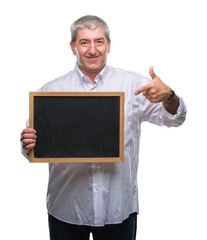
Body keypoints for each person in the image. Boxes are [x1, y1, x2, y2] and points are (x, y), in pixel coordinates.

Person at [20, 15, 187, 240]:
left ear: (109, 44)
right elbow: (32, 145)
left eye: (99, 41)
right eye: (84, 42)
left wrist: (170, 96)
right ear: (73, 47)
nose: (92, 50)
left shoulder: (135, 86)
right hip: (67, 208)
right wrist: (27, 142)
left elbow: (175, 119)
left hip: (118, 208)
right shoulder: (50, 91)